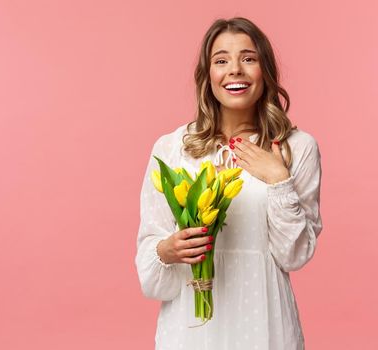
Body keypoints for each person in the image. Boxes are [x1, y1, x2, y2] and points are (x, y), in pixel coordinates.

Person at [134, 17, 323, 350]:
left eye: (248, 58)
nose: (235, 69)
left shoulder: (296, 146)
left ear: (265, 70)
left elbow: (293, 255)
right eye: (221, 60)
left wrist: (279, 180)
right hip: (190, 327)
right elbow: (151, 260)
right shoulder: (173, 147)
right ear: (208, 76)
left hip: (265, 321)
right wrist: (167, 250)